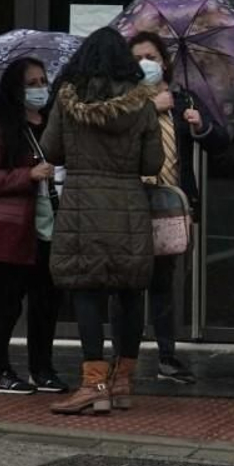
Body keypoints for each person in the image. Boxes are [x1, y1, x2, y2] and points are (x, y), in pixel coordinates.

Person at [40, 28, 162, 416]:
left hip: (81, 208)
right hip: (128, 206)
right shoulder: (142, 104)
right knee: (130, 290)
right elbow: (153, 163)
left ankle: (93, 385)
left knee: (87, 291)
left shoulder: (67, 100)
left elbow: (52, 151)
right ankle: (122, 381)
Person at [113, 31, 229, 385]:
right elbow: (113, 141)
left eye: (151, 56)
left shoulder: (184, 98)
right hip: (133, 203)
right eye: (137, 59)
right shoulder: (123, 101)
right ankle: (124, 359)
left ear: (164, 61)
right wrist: (150, 108)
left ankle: (167, 355)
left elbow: (219, 143)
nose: (145, 64)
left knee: (164, 282)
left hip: (172, 203)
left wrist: (200, 125)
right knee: (128, 285)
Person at [0, 56, 65, 395]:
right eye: (32, 83)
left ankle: (42, 368)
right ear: (15, 87)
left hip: (49, 226)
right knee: (6, 302)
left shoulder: (51, 119)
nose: (40, 89)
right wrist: (29, 175)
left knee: (46, 302)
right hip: (11, 231)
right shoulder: (0, 123)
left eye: (43, 81)